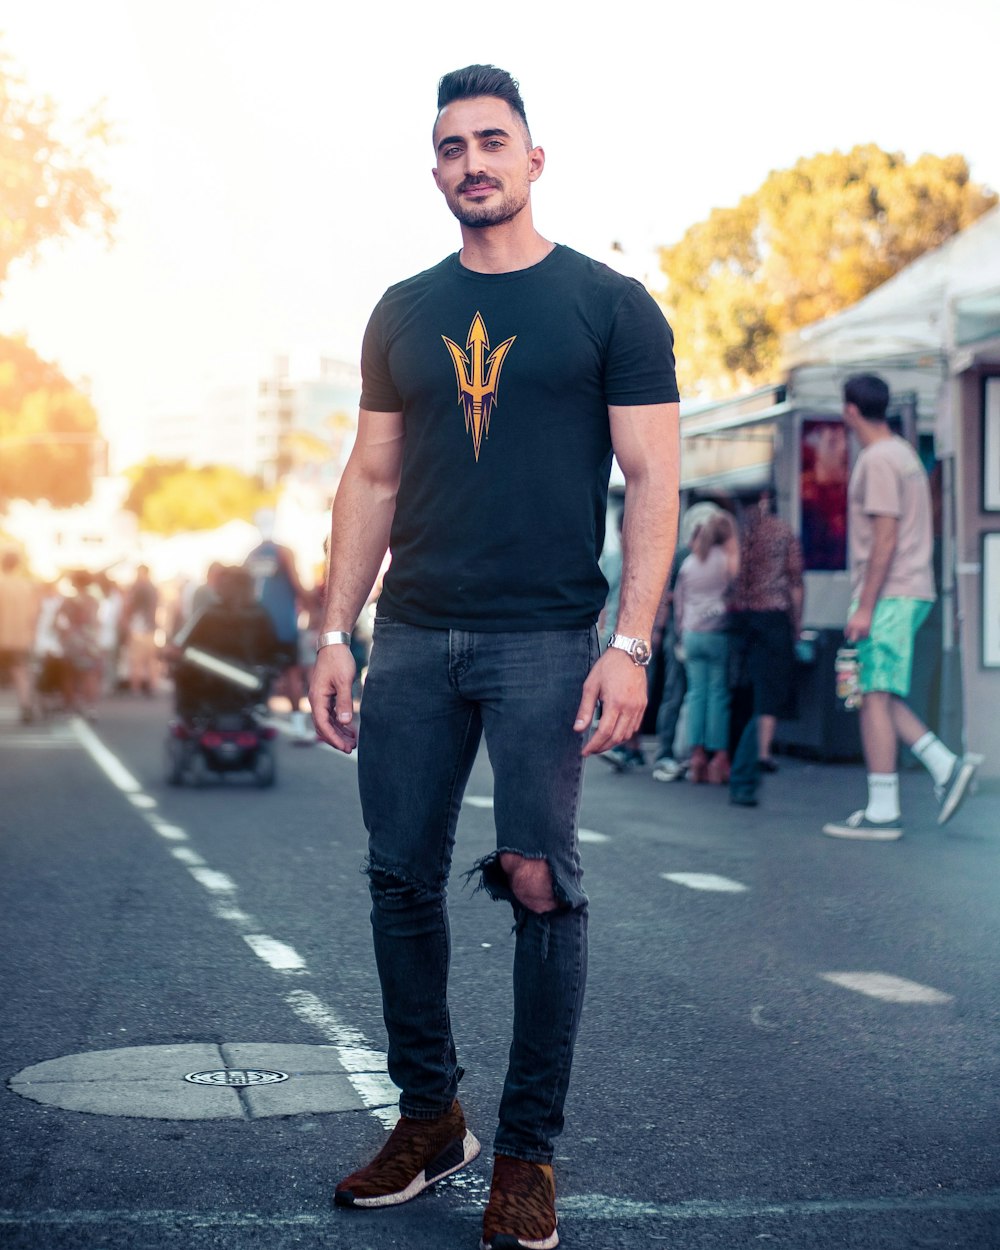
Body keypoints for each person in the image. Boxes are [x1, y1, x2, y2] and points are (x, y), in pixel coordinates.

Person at [308, 64, 679, 1250]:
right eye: (453, 147)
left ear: (532, 159)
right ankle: (431, 1119)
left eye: (492, 141)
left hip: (546, 635)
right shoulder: (402, 311)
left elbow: (655, 481)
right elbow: (369, 477)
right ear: (435, 171)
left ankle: (527, 1148)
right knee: (397, 877)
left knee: (536, 874)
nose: (473, 162)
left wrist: (630, 641)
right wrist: (332, 629)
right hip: (412, 631)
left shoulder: (610, 305)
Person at [822, 373, 980, 840]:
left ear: (851, 410)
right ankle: (942, 767)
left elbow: (885, 537)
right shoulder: (905, 454)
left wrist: (864, 605)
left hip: (890, 594)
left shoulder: (877, 459)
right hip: (906, 590)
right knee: (878, 692)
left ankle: (886, 808)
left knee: (873, 694)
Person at [730, 490, 804, 772]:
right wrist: (797, 623)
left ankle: (738, 749)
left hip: (741, 617)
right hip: (773, 615)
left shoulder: (737, 534)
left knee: (744, 684)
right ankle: (762, 751)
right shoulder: (782, 532)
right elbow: (795, 580)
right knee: (770, 684)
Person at [672, 511, 739, 784]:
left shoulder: (689, 564)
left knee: (696, 695)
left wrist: (680, 632)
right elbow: (736, 593)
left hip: (690, 634)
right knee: (718, 696)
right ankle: (719, 758)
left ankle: (696, 755)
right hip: (717, 634)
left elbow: (679, 602)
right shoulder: (726, 562)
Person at [244, 511, 312, 742]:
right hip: (283, 624)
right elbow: (297, 585)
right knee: (292, 673)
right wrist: (313, 603)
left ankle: (256, 718)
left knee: (257, 671)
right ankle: (298, 726)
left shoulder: (251, 556)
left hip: (256, 625)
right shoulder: (284, 552)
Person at [0, 550, 40, 723]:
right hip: (20, 638)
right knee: (20, 672)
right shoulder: (27, 586)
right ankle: (26, 706)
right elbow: (35, 614)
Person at [123, 564, 160, 695]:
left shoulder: (137, 587)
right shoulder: (153, 588)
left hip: (139, 627)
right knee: (150, 660)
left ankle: (136, 687)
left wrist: (127, 624)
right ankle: (151, 685)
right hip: (148, 627)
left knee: (137, 659)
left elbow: (129, 606)